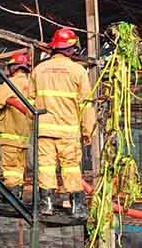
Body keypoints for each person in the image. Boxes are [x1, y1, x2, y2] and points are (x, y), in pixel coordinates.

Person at [31, 28, 95, 218]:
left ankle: (46, 205)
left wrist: (33, 126)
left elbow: (29, 102)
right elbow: (86, 104)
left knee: (46, 167)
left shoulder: (38, 70)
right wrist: (88, 130)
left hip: (44, 131)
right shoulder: (78, 71)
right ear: (71, 48)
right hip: (69, 132)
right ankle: (77, 207)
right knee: (71, 167)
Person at [0, 52, 33, 207]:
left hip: (10, 133)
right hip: (24, 136)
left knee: (10, 168)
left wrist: (4, 102)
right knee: (19, 168)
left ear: (14, 67)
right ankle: (18, 196)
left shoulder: (10, 84)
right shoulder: (32, 84)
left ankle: (11, 200)